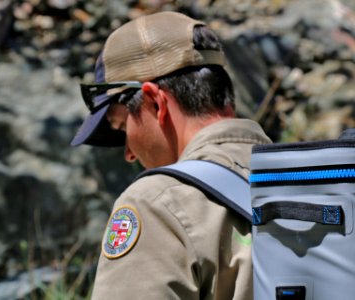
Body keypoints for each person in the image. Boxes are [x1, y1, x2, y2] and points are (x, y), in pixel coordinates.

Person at [71, 11, 272, 300]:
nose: (128, 153)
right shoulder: (306, 179)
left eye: (122, 126)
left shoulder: (157, 202)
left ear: (155, 102)